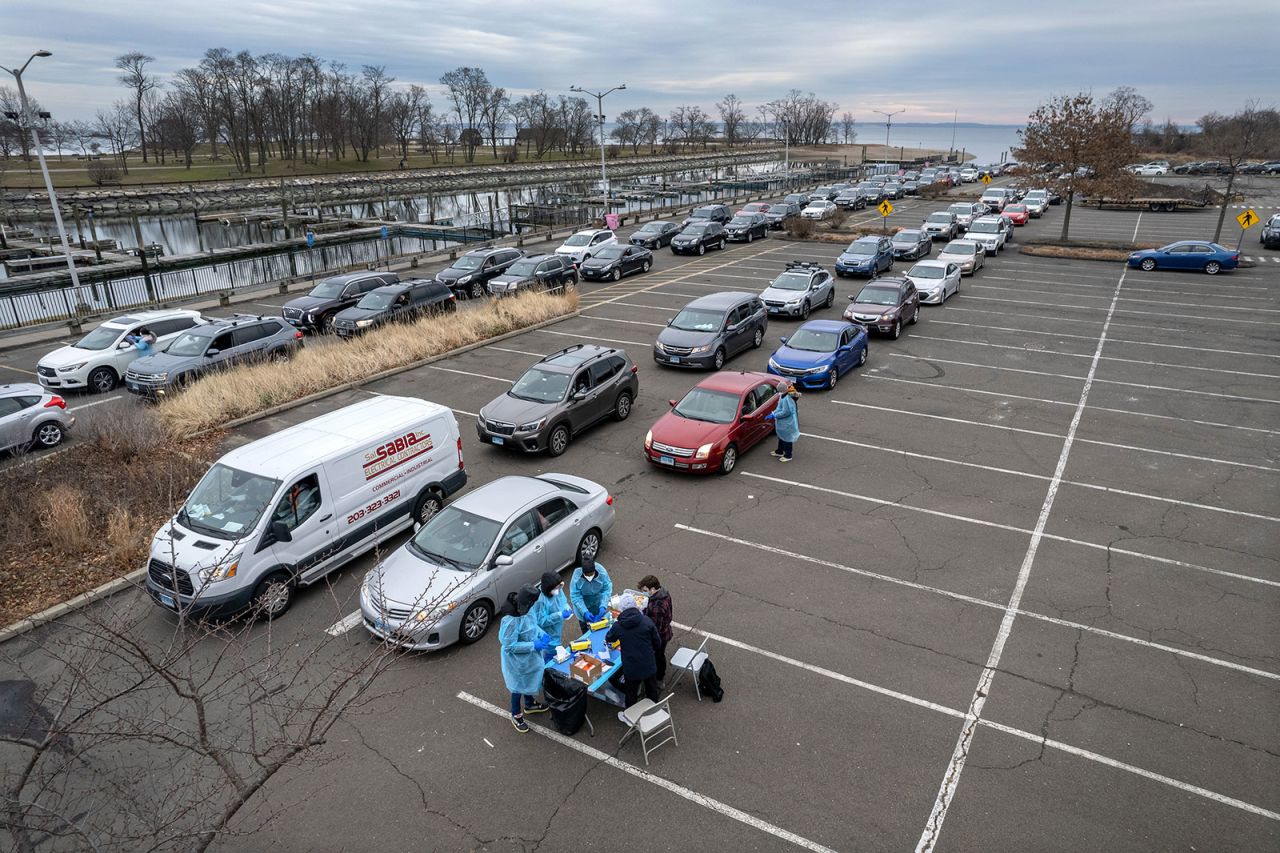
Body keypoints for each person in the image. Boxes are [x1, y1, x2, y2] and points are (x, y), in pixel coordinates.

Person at [499, 583, 553, 733]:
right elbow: (509, 646)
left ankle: (530, 704)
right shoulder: (511, 620)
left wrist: (542, 634)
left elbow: (533, 626)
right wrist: (532, 645)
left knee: (530, 679)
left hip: (529, 658)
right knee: (517, 686)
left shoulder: (527, 610)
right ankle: (516, 714)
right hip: (516, 662)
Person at [605, 593, 662, 723]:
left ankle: (630, 718)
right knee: (651, 690)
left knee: (631, 694)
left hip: (632, 668)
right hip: (649, 664)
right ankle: (654, 712)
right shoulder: (647, 621)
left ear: (622, 609)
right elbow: (657, 642)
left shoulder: (618, 626)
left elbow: (609, 638)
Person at [638, 575, 673, 686]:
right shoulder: (664, 594)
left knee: (657, 657)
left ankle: (658, 679)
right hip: (666, 631)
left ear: (653, 589)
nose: (644, 593)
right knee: (660, 655)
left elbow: (653, 627)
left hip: (659, 636)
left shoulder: (657, 607)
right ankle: (659, 676)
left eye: (645, 591)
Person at [530, 570, 573, 656]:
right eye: (556, 588)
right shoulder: (540, 600)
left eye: (558, 587)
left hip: (556, 630)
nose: (558, 590)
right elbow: (541, 621)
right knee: (551, 656)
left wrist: (567, 609)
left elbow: (563, 601)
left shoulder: (557, 589)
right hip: (547, 635)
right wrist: (559, 615)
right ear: (548, 588)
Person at [569, 561, 613, 633]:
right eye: (587, 575)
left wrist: (603, 605)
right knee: (586, 630)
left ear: (595, 570)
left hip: (597, 604)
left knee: (600, 628)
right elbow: (575, 596)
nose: (589, 577)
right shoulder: (577, 577)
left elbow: (607, 589)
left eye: (591, 574)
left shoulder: (602, 573)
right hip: (582, 605)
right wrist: (584, 611)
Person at [765, 382, 801, 462]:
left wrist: (775, 415)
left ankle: (788, 455)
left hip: (788, 423)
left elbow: (786, 412)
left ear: (782, 390)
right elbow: (779, 407)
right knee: (781, 436)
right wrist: (773, 413)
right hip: (783, 423)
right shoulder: (783, 396)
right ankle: (780, 451)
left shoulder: (788, 398)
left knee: (787, 439)